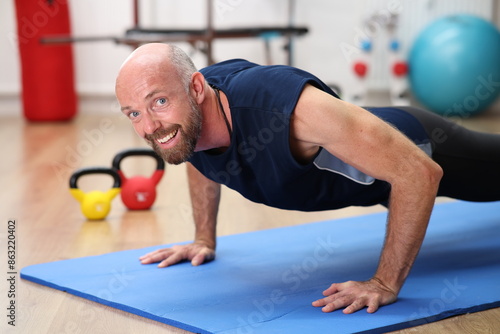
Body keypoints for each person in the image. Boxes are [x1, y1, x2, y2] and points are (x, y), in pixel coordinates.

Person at [115, 43, 500, 315]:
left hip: (416, 144)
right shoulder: (188, 117)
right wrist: (203, 238)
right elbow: (197, 154)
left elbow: (418, 171)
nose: (149, 125)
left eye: (158, 102)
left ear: (196, 88)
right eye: (133, 113)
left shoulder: (287, 108)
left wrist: (384, 283)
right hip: (374, 165)